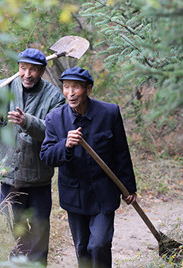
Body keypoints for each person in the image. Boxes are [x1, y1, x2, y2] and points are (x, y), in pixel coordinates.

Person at [40, 67, 137, 268]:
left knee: (99, 244)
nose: (71, 93)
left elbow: (121, 153)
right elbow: (47, 156)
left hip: (104, 193)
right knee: (82, 248)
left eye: (76, 87)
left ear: (88, 89)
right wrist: (65, 144)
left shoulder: (109, 113)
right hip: (74, 194)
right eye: (66, 87)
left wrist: (128, 188)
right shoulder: (55, 118)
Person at [0, 48, 65, 266]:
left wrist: (26, 121)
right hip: (9, 175)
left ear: (42, 71)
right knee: (14, 227)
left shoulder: (54, 97)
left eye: (33, 70)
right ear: (18, 68)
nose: (27, 74)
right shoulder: (5, 88)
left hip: (38, 178)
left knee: (39, 231)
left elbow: (53, 133)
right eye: (23, 68)